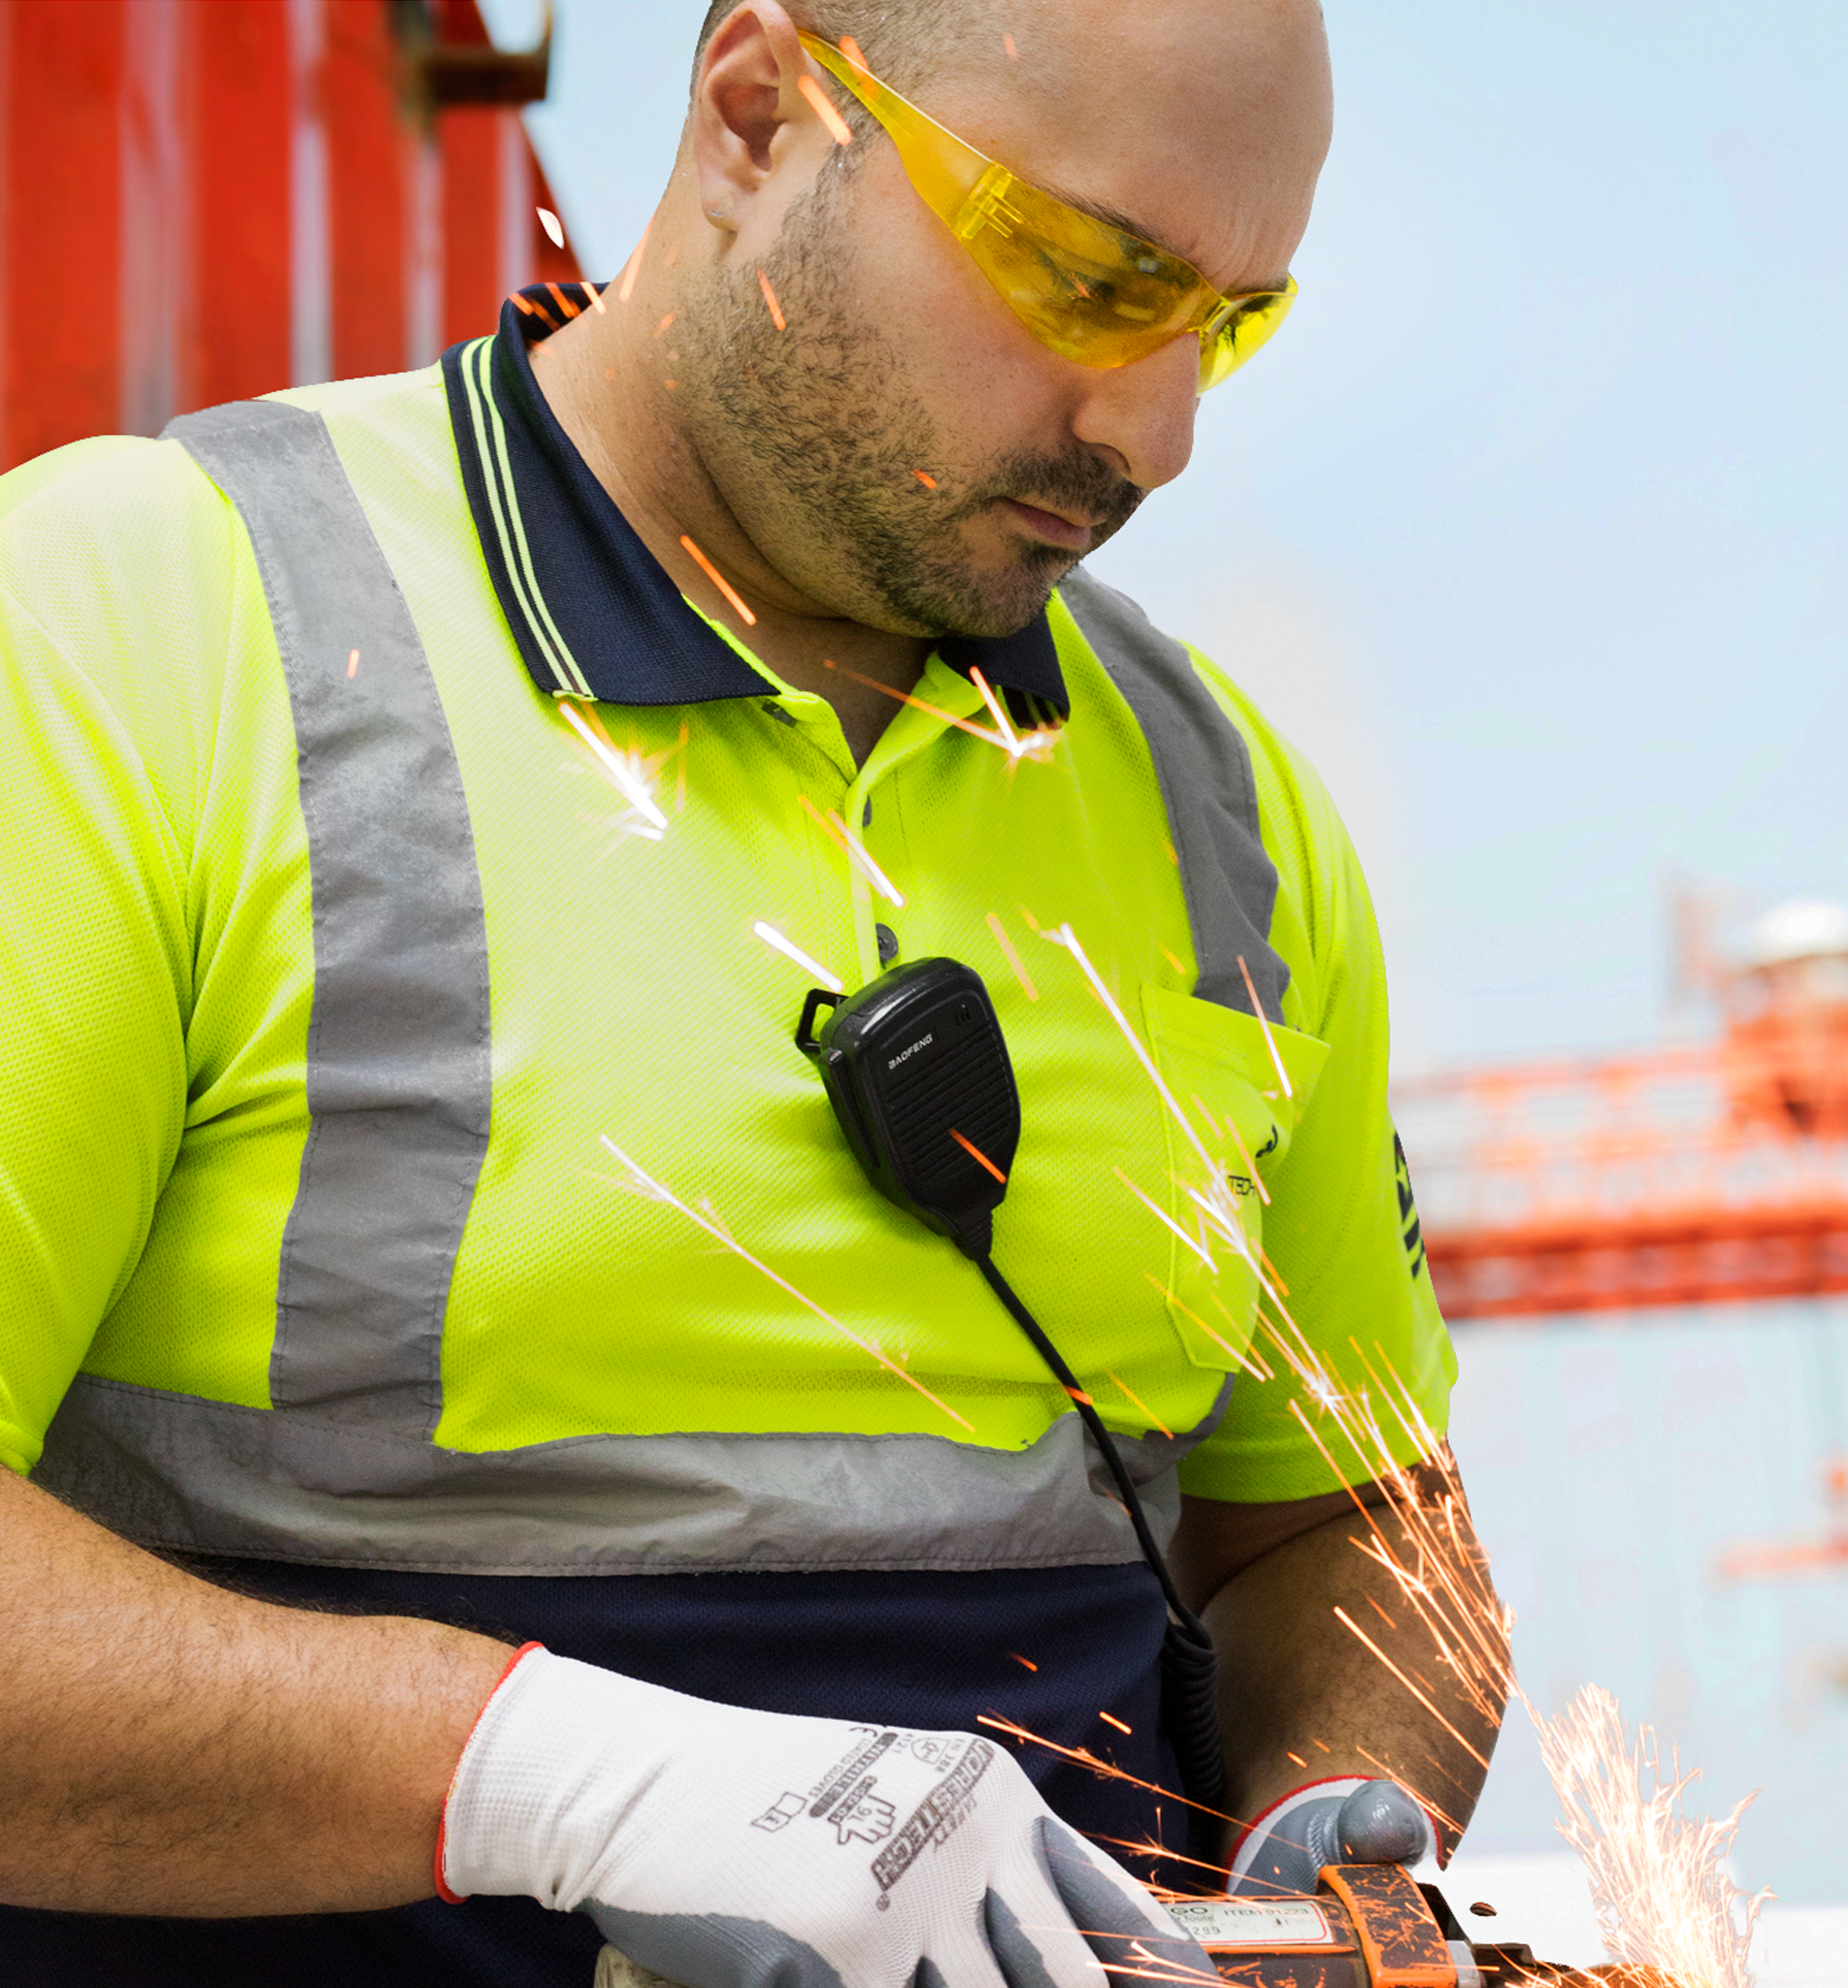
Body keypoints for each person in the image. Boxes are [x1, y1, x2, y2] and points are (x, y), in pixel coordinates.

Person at [0, 3, 1505, 1984]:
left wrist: (1332, 1827)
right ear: (758, 111)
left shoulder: (1220, 813)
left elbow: (1350, 1528)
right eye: (1088, 274)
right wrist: (559, 1781)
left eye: (1228, 322)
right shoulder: (146, 629)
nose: (1153, 429)